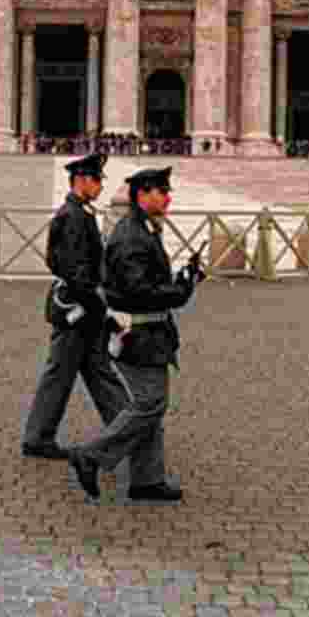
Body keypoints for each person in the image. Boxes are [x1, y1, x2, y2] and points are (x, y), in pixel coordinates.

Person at [67, 165, 205, 502]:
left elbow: (147, 282)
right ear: (142, 195)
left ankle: (147, 480)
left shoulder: (143, 228)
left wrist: (183, 278)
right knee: (149, 404)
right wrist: (181, 290)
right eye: (161, 192)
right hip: (137, 334)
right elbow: (138, 291)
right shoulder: (132, 236)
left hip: (148, 332)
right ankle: (91, 456)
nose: (167, 198)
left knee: (150, 407)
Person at [22, 153, 126, 460]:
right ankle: (38, 438)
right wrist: (99, 305)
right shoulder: (73, 216)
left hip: (83, 310)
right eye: (96, 180)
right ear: (80, 180)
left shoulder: (79, 213)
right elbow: (72, 268)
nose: (100, 187)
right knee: (62, 375)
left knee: (98, 372)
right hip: (77, 311)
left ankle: (129, 430)